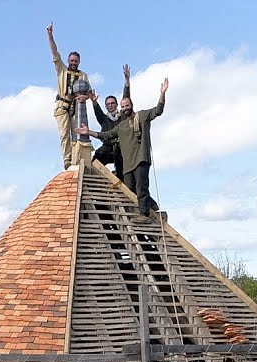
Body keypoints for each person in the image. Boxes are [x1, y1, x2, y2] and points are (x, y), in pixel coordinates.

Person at [79, 78, 169, 219]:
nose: (125, 107)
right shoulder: (121, 126)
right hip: (128, 162)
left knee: (141, 187)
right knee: (129, 187)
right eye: (123, 106)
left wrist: (162, 94)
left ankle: (144, 214)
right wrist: (88, 132)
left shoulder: (142, 116)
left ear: (131, 105)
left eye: (127, 105)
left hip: (140, 159)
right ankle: (150, 204)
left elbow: (158, 110)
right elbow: (106, 135)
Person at [46, 23, 88, 170]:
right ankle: (67, 160)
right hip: (62, 106)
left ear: (79, 62)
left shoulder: (83, 75)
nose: (73, 63)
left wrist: (85, 98)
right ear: (69, 61)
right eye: (72, 61)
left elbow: (88, 92)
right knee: (64, 134)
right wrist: (50, 36)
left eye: (76, 61)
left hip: (75, 108)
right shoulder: (62, 70)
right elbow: (54, 53)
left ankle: (76, 159)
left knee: (76, 134)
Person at [90, 64, 131, 179]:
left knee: (122, 171)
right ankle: (98, 180)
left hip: (121, 149)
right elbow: (98, 112)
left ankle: (120, 180)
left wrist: (127, 80)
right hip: (107, 149)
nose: (110, 105)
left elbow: (126, 96)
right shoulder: (104, 119)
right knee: (94, 161)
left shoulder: (123, 116)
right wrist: (94, 102)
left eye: (113, 103)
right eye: (108, 104)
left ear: (117, 104)